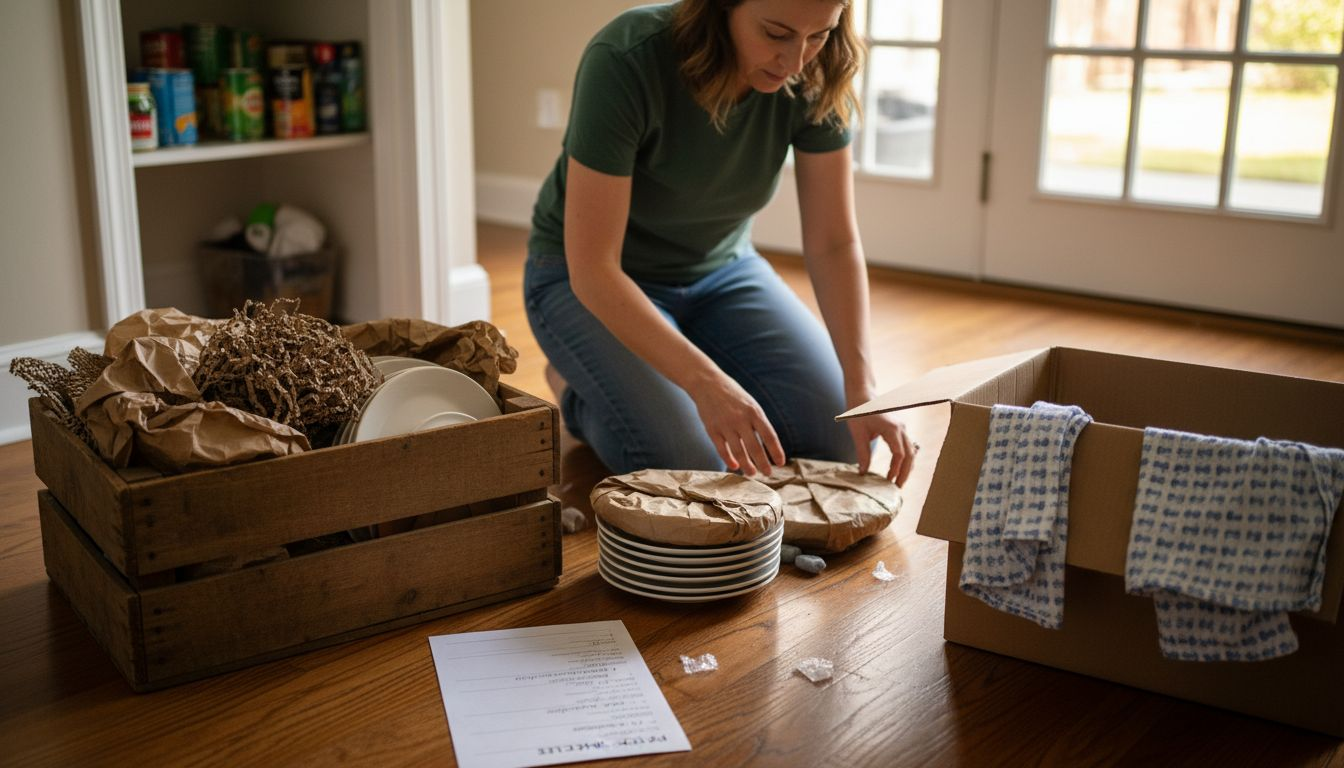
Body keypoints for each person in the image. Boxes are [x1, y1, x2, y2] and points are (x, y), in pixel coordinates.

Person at [524, 0, 917, 485]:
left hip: (721, 271)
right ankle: (576, 392)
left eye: (819, 34)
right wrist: (707, 384)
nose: (796, 62)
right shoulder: (627, 56)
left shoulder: (820, 68)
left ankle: (670, 380)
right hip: (584, 280)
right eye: (776, 33)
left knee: (837, 436)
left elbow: (834, 242)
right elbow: (594, 269)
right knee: (693, 465)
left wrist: (863, 389)